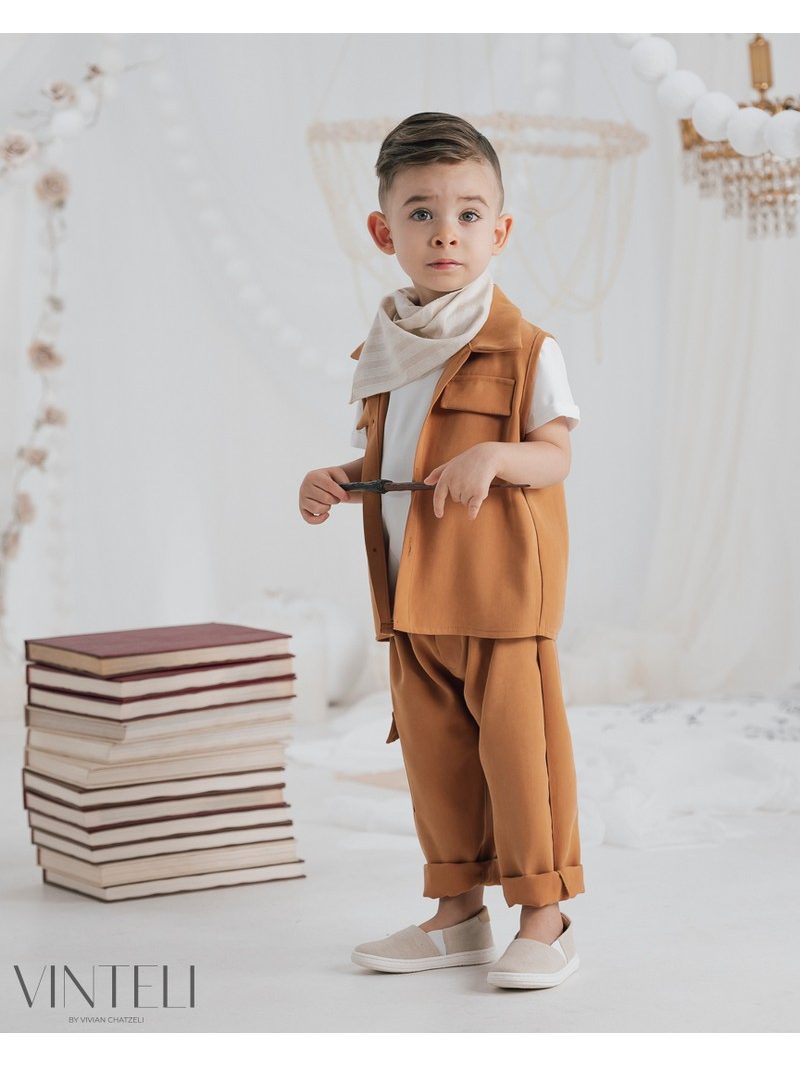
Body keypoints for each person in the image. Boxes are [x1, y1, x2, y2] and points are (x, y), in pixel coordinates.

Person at [299, 112, 585, 990]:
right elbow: (394, 460)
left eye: (468, 213)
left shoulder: (526, 348)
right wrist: (339, 476)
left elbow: (555, 455)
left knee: (522, 760)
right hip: (412, 599)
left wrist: (497, 455)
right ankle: (458, 915)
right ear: (384, 232)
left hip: (497, 597)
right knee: (435, 762)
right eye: (421, 213)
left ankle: (546, 918)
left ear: (500, 230)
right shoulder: (388, 351)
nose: (445, 233)